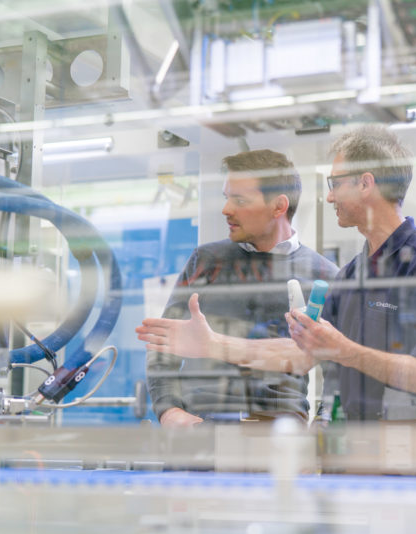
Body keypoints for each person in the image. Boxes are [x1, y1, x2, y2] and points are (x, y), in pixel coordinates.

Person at [138, 125, 416, 421]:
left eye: (335, 183)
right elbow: (300, 355)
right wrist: (214, 345)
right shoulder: (352, 276)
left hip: (404, 461)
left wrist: (342, 350)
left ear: (365, 184)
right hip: (349, 456)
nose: (329, 196)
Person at [144, 149, 338, 427]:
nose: (226, 209)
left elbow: (340, 371)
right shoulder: (206, 261)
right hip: (198, 427)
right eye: (227, 198)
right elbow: (163, 345)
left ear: (279, 206)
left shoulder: (323, 276)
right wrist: (170, 411)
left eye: (240, 200)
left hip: (278, 433)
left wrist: (322, 427)